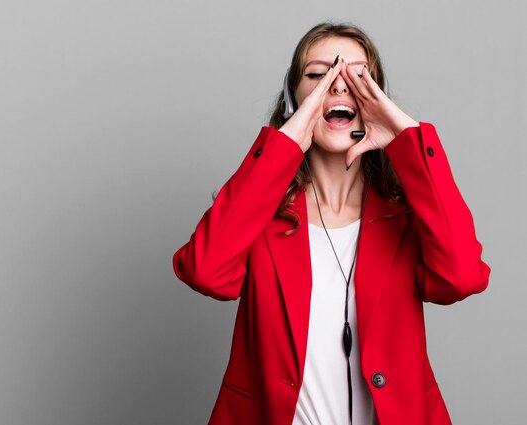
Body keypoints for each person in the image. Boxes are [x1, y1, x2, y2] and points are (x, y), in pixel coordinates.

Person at [172, 22, 490, 425]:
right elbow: (205, 272)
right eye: (319, 75)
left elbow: (462, 277)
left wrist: (406, 136)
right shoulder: (259, 215)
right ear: (292, 100)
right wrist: (284, 145)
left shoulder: (407, 215)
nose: (339, 87)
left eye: (358, 77)